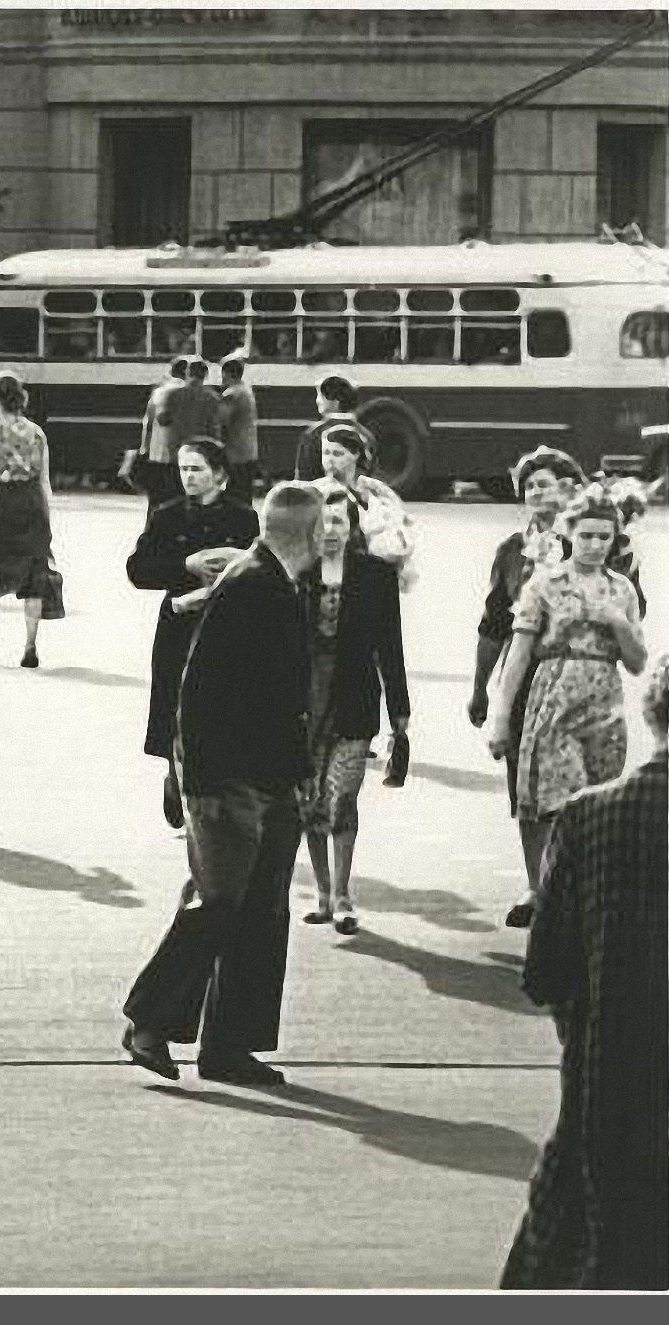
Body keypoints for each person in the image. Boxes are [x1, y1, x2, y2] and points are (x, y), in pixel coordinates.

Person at [121, 482, 324, 1087]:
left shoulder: (264, 580)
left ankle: (228, 1046)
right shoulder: (256, 586)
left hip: (263, 776)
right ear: (311, 535)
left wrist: (293, 776)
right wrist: (202, 781)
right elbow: (201, 692)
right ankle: (149, 1020)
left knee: (259, 911)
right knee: (221, 903)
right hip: (231, 778)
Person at [500, 652, 667, 1291]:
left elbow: (543, 970)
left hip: (605, 1084)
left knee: (572, 1253)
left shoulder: (588, 816)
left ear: (650, 715)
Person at [484, 488, 648, 927]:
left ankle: (578, 900)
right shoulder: (545, 584)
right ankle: (554, 896)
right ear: (569, 533)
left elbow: (637, 663)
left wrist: (618, 623)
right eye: (587, 535)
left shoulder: (622, 589)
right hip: (554, 698)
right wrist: (499, 717)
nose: (595, 545)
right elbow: (518, 653)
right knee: (560, 804)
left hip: (604, 703)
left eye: (604, 537)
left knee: (597, 807)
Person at [467, 447, 587, 900]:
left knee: (574, 788)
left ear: (568, 489)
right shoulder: (512, 551)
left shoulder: (590, 540)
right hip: (521, 680)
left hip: (575, 679)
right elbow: (493, 623)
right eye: (529, 485)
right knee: (526, 787)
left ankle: (567, 887)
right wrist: (480, 690)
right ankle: (538, 889)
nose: (536, 491)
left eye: (545, 482)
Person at [125, 439, 258, 829]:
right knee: (175, 708)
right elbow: (138, 570)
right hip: (178, 626)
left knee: (221, 709)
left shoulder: (244, 518)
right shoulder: (166, 516)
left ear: (220, 474)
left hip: (228, 627)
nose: (189, 477)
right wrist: (186, 564)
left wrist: (230, 568)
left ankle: (209, 788)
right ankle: (175, 774)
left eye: (197, 469)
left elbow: (260, 566)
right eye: (184, 469)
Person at [297, 492, 410, 934]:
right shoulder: (297, 572)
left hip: (355, 698)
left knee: (342, 796)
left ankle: (343, 893)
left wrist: (400, 712)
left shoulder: (375, 575)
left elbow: (391, 646)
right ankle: (323, 894)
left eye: (338, 522)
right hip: (302, 700)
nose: (330, 531)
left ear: (352, 528)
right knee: (310, 800)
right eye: (322, 522)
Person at [0, 371, 60, 669]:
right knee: (34, 575)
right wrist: (47, 518)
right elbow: (45, 481)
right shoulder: (37, 433)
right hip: (31, 503)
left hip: (1, 504)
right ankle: (30, 647)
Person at [311, 421, 416, 587]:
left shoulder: (377, 494)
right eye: (326, 453)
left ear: (355, 455)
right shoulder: (313, 492)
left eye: (337, 454)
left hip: (367, 574)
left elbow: (394, 536)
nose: (329, 460)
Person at [121, 358, 189, 510]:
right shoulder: (187, 392)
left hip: (156, 452)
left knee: (156, 497)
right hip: (180, 452)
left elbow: (148, 422)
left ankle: (152, 528)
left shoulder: (158, 392)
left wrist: (145, 447)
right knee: (178, 496)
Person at [293, 375, 375, 482]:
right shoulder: (367, 436)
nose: (317, 401)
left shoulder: (312, 434)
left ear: (336, 401)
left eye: (321, 396)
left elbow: (303, 480)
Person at [217, 351, 260, 503]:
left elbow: (221, 421)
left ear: (227, 373)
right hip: (249, 450)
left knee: (234, 494)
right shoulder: (246, 390)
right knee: (245, 493)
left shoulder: (232, 394)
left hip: (235, 452)